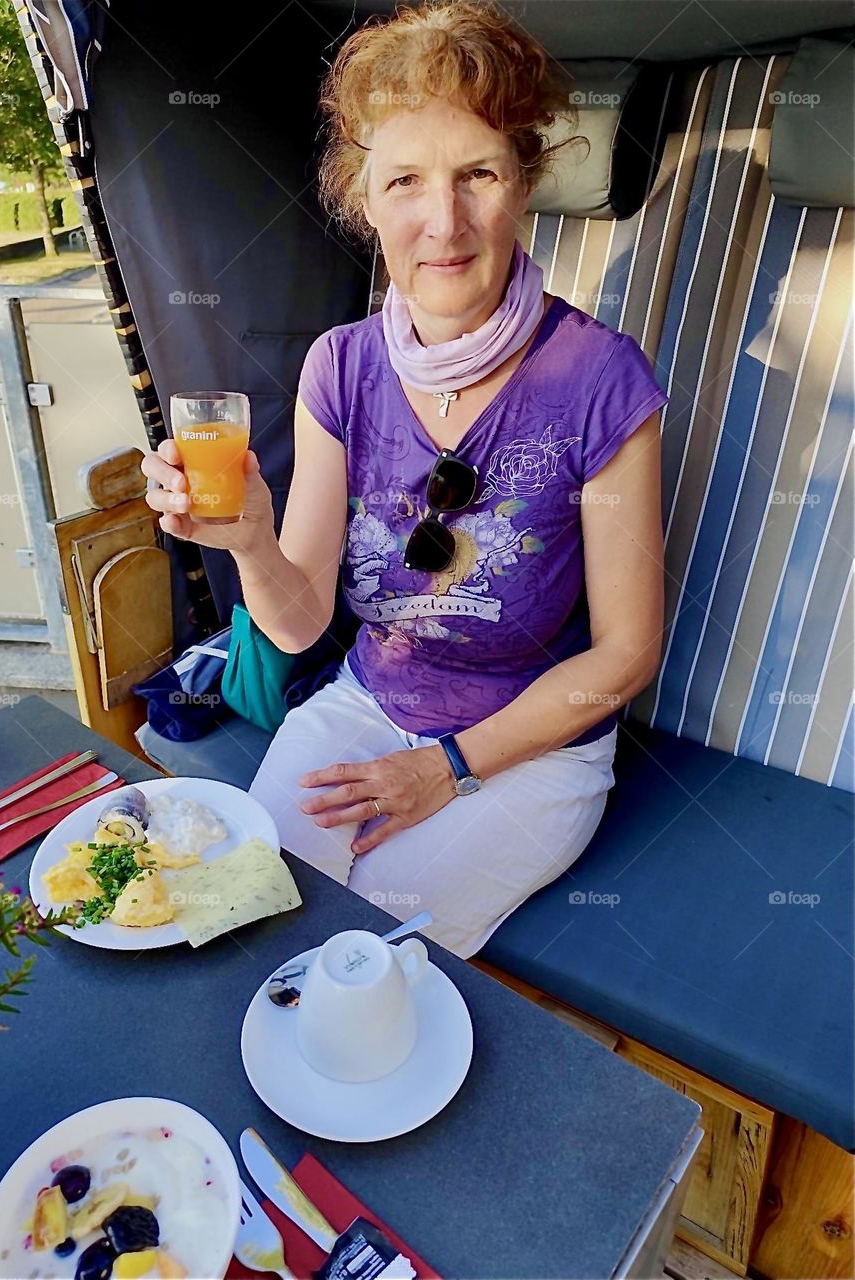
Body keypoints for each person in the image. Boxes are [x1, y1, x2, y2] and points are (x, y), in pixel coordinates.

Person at [140, 0, 667, 959]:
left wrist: (446, 768)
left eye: (478, 174)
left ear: (524, 181)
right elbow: (297, 624)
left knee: (364, 957)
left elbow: (627, 655)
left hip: (534, 745)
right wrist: (250, 539)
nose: (444, 222)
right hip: (365, 701)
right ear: (366, 200)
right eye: (405, 182)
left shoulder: (600, 379)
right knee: (240, 909)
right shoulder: (340, 369)